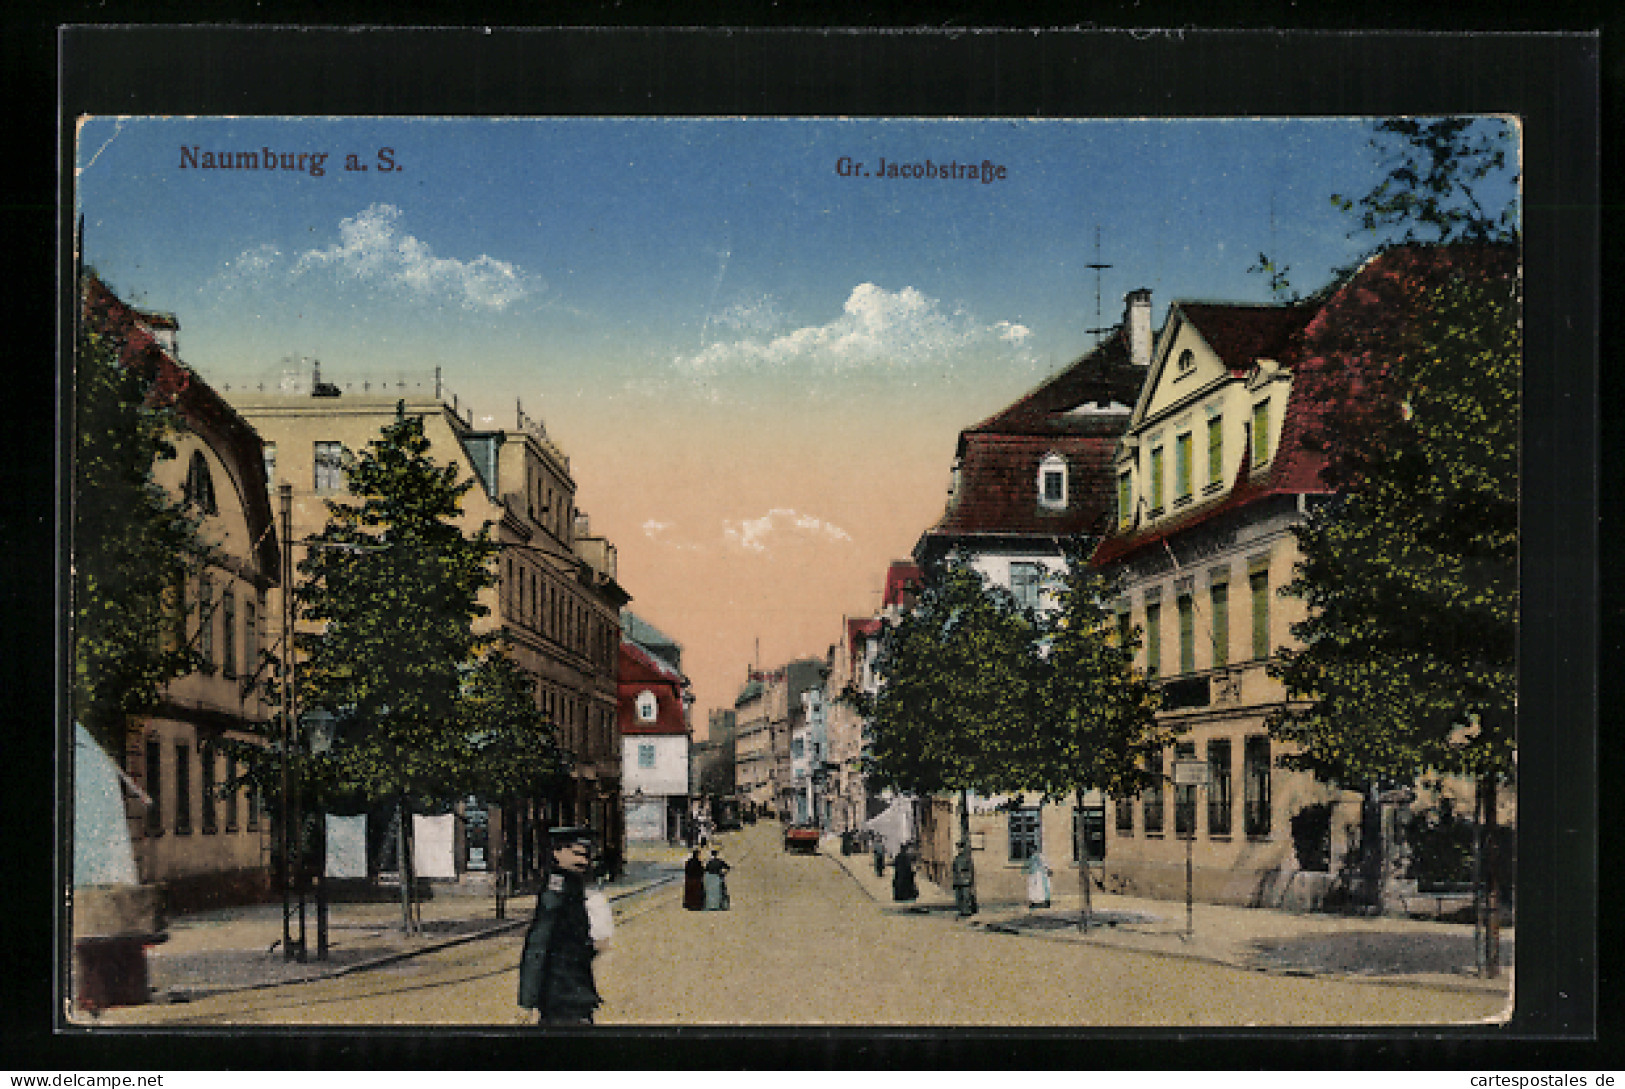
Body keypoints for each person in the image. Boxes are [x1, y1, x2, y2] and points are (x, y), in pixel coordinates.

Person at [517, 827, 602, 1025]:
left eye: (586, 856)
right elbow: (538, 943)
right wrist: (526, 1001)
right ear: (557, 852)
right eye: (577, 854)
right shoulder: (557, 889)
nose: (584, 861)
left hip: (574, 991)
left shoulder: (573, 885)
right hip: (562, 995)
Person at [952, 840, 978, 917]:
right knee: (959, 897)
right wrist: (954, 881)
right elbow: (954, 870)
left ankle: (967, 911)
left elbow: (970, 870)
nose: (960, 850)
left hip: (965, 881)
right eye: (958, 848)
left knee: (966, 896)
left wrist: (970, 880)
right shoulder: (956, 859)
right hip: (958, 881)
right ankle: (962, 911)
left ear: (964, 848)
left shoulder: (967, 858)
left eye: (961, 848)